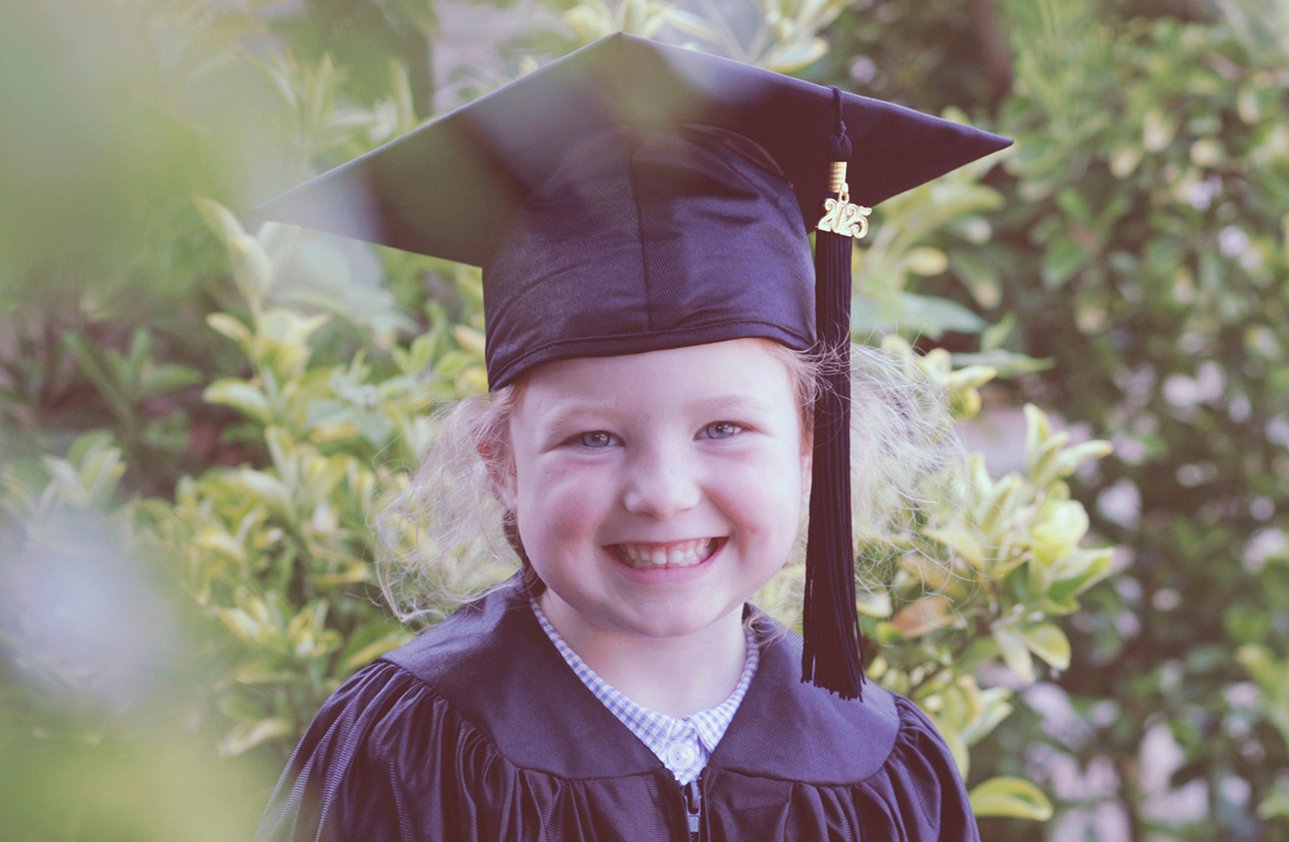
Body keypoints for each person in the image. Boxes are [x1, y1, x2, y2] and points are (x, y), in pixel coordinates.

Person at [252, 32, 1009, 841]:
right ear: (502, 464)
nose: (662, 495)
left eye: (723, 428)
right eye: (593, 439)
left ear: (808, 442)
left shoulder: (877, 766)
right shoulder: (412, 748)